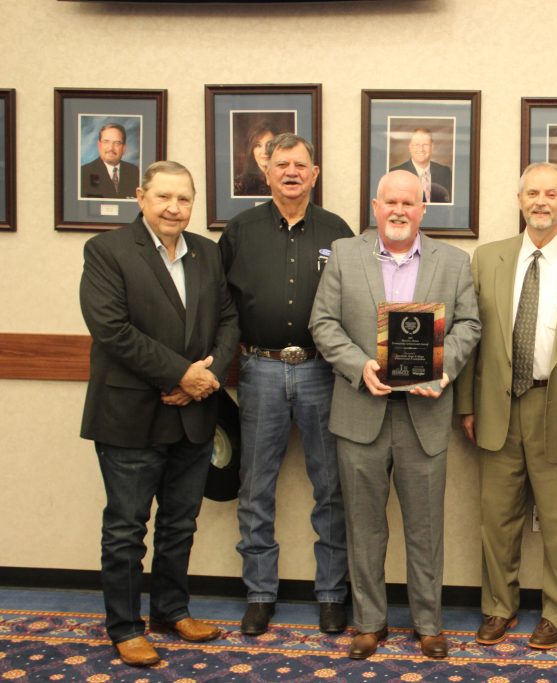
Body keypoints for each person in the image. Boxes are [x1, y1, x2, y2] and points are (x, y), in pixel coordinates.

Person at [309, 170, 480, 660]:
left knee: (426, 527)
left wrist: (444, 368)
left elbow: (470, 323)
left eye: (409, 202)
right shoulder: (345, 254)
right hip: (361, 410)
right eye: (391, 202)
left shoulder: (453, 261)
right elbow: (323, 322)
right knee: (363, 525)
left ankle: (429, 623)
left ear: (423, 208)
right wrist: (358, 365)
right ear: (375, 206)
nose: (400, 210)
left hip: (424, 416)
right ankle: (368, 622)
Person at [79, 161, 239, 667]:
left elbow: (229, 319)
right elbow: (112, 329)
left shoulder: (208, 255)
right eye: (164, 197)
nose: (174, 208)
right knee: (126, 527)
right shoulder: (106, 252)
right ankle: (125, 627)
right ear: (140, 197)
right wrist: (178, 376)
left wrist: (203, 378)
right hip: (131, 415)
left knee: (180, 523)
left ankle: (172, 610)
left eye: (184, 199)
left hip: (193, 414)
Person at [455, 162, 557, 650]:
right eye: (532, 193)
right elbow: (470, 337)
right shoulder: (486, 259)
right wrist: (466, 405)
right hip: (498, 408)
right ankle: (499, 607)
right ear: (519, 200)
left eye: (551, 193)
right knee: (497, 519)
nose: (541, 201)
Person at [219, 133, 354, 636]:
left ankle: (332, 595)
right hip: (260, 370)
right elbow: (223, 305)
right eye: (282, 164)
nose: (291, 172)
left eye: (301, 164)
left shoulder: (338, 231)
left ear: (314, 174)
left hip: (324, 370)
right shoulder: (240, 229)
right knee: (255, 488)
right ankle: (259, 593)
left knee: (331, 488)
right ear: (267, 172)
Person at [390, 127, 453, 203]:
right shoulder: (395, 174)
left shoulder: (445, 172)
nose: (421, 149)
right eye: (417, 145)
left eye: (425, 144)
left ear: (432, 147)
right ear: (410, 147)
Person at [81, 122, 141, 199]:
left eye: (117, 143)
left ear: (124, 148)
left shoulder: (134, 172)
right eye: (106, 142)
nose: (111, 148)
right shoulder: (83, 173)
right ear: (99, 145)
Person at [233, 119, 277, 196]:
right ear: (252, 150)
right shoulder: (239, 185)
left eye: (270, 144)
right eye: (258, 145)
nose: (264, 151)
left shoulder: (287, 180)